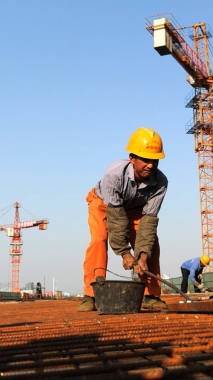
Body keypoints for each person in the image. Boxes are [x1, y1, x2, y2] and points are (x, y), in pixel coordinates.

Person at [78, 128, 168, 312]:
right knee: (99, 239)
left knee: (152, 245)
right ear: (132, 159)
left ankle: (151, 295)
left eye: (154, 160)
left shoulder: (161, 183)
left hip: (135, 209)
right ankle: (91, 294)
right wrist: (125, 254)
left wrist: (141, 255)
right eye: (145, 159)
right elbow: (116, 217)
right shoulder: (113, 175)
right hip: (104, 204)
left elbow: (149, 222)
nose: (150, 165)